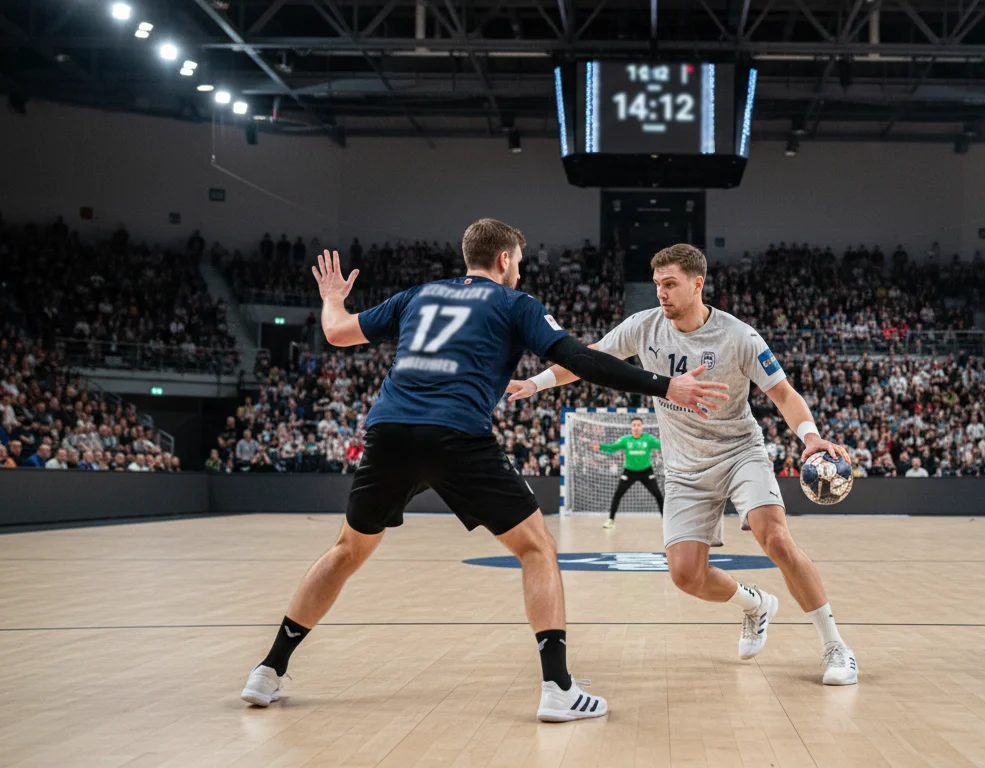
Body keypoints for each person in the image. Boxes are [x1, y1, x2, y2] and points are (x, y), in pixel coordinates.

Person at [239, 221, 729, 722]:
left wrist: (332, 298)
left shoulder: (417, 295)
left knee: (346, 550)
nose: (520, 268)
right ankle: (558, 688)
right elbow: (581, 360)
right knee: (536, 548)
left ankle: (267, 670)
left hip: (389, 432)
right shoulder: (516, 305)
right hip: (456, 435)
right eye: (518, 259)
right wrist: (665, 386)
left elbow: (336, 332)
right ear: (503, 260)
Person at [510, 243, 860, 686]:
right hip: (684, 468)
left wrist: (810, 437)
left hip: (738, 452)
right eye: (657, 284)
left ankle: (836, 648)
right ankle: (754, 605)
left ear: (698, 284)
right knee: (685, 575)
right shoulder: (644, 327)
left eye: (670, 284)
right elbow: (590, 358)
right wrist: (537, 383)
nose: (661, 293)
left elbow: (784, 395)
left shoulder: (739, 337)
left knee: (776, 539)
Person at [590, 417, 663, 529]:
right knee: (617, 495)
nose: (636, 427)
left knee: (658, 495)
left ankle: (666, 521)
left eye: (638, 425)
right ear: (631, 427)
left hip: (646, 472)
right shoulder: (625, 440)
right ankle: (610, 520)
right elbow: (612, 448)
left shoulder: (648, 439)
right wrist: (600, 446)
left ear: (642, 427)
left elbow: (661, 445)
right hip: (629, 472)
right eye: (634, 425)